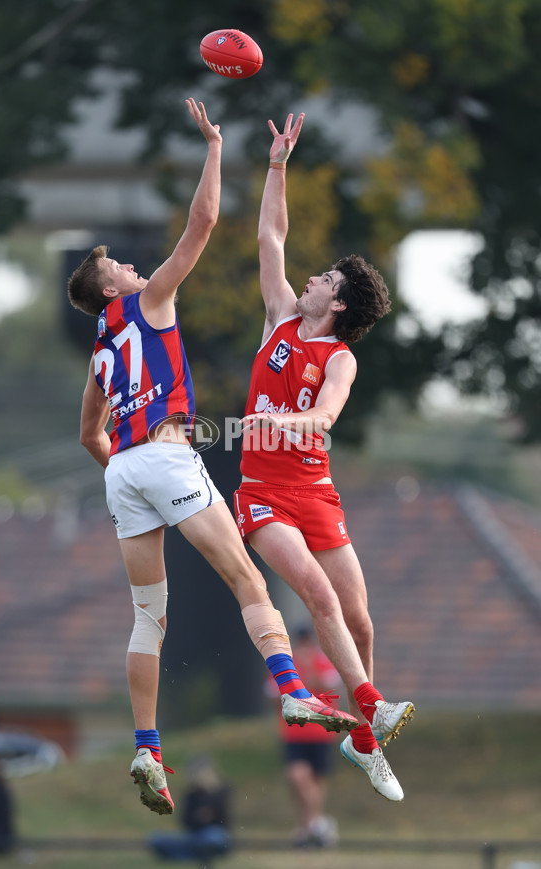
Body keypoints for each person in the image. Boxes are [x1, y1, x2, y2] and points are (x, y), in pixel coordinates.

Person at [67, 99, 358, 817]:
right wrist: (215, 148)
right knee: (247, 579)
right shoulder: (151, 301)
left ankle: (146, 744)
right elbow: (201, 224)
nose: (134, 266)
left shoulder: (100, 351)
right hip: (166, 454)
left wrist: (122, 471)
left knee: (148, 617)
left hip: (125, 472)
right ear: (111, 287)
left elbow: (88, 437)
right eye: (120, 265)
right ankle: (294, 692)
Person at [233, 111, 415, 802]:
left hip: (315, 492)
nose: (309, 277)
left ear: (336, 303)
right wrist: (278, 163)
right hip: (262, 494)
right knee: (315, 592)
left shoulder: (339, 357)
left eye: (324, 278)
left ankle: (364, 743)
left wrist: (290, 423)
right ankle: (372, 703)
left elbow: (325, 415)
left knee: (361, 619)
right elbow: (270, 234)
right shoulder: (279, 314)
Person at [265, 626, 342, 848]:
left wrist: (309, 671)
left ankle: (307, 828)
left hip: (321, 732)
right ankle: (318, 824)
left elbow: (331, 686)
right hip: (294, 733)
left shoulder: (322, 661)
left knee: (316, 783)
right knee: (298, 777)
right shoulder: (286, 665)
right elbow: (272, 694)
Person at [148, 755, 232, 861]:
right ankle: (194, 853)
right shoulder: (191, 794)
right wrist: (197, 818)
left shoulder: (221, 792)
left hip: (215, 835)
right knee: (157, 839)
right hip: (194, 836)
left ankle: (189, 854)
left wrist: (209, 816)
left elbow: (225, 821)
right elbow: (185, 820)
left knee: (211, 838)